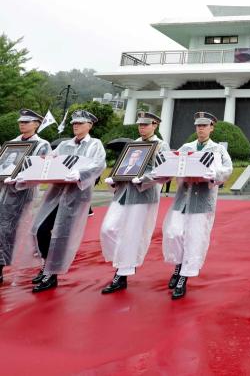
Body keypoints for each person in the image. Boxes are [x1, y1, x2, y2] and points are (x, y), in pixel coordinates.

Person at [24, 110, 106, 292]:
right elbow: (50, 161)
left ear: (89, 125)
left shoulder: (95, 144)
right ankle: (46, 264)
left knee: (62, 235)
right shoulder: (64, 145)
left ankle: (52, 274)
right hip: (57, 192)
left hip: (76, 194)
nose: (75, 125)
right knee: (40, 228)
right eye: (74, 123)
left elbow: (98, 164)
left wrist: (81, 173)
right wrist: (27, 173)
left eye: (80, 123)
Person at [160, 112, 233, 299]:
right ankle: (178, 264)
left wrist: (214, 176)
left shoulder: (217, 150)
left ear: (211, 127)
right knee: (174, 232)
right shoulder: (186, 147)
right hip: (183, 197)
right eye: (198, 126)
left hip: (202, 199)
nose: (200, 129)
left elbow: (227, 169)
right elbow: (176, 165)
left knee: (194, 237)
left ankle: (184, 276)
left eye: (204, 126)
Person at [99, 111, 170, 294]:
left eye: (146, 124)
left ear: (155, 125)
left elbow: (163, 171)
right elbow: (123, 166)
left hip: (142, 194)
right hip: (123, 192)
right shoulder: (133, 144)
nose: (142, 127)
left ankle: (121, 274)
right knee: (108, 229)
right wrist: (114, 179)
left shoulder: (161, 145)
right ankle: (125, 260)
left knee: (131, 234)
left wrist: (145, 179)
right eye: (140, 124)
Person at [0, 110, 51, 285]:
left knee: (32, 231)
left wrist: (21, 178)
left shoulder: (42, 145)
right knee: (4, 229)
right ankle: (1, 266)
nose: (22, 124)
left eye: (27, 122)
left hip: (27, 193)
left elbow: (42, 170)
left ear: (36, 124)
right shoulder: (13, 143)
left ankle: (45, 266)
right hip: (6, 192)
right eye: (21, 122)